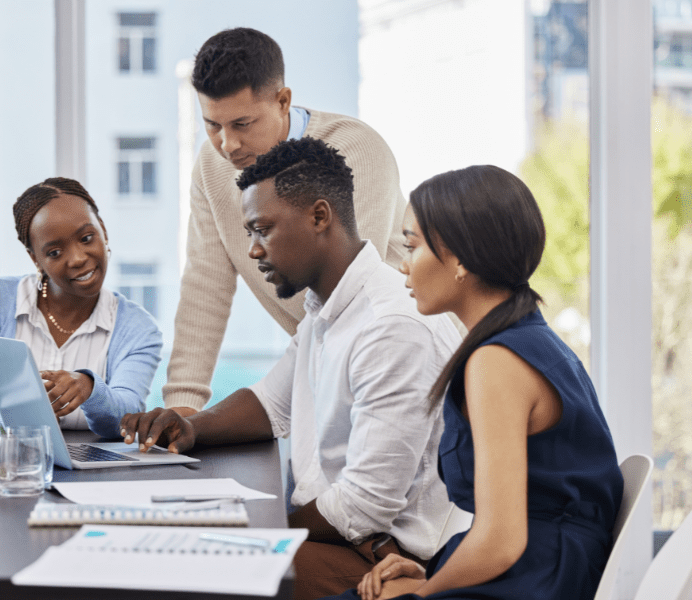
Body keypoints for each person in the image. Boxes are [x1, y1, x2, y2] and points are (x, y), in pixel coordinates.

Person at [121, 138, 461, 600]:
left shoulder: (391, 325)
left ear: (320, 216)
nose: (254, 251)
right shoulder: (326, 306)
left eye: (263, 229)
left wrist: (260, 527)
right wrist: (190, 427)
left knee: (193, 570)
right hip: (342, 538)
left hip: (386, 560)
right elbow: (270, 402)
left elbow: (361, 508)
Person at [334, 165, 624, 600]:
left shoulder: (496, 361)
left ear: (461, 260)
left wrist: (423, 592)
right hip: (540, 568)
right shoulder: (531, 340)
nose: (402, 263)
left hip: (536, 581)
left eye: (412, 245)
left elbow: (502, 542)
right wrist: (432, 570)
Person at [165, 27, 409, 416]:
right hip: (321, 358)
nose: (227, 144)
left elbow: (351, 291)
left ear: (282, 101)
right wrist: (181, 411)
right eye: (213, 125)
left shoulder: (355, 149)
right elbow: (204, 286)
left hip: (397, 357)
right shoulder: (211, 167)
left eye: (242, 124)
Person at [0, 177, 162, 439]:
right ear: (35, 259)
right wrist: (10, 424)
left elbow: (127, 417)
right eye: (54, 252)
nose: (77, 259)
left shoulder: (139, 329)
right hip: (6, 465)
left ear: (104, 232)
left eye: (87, 238)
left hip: (94, 472)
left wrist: (90, 388)